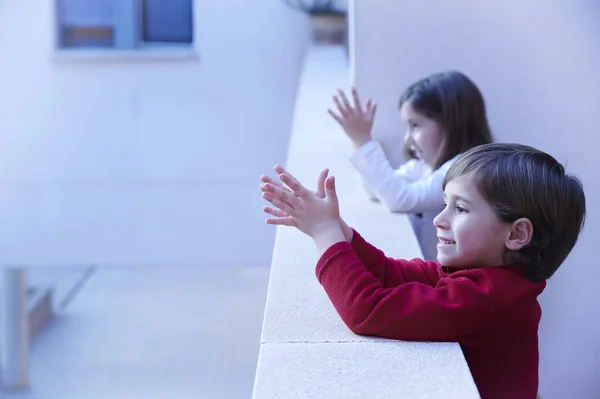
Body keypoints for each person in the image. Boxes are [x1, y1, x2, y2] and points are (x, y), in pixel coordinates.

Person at [259, 143, 586, 399]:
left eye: (460, 208)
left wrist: (324, 235)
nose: (439, 219)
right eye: (445, 203)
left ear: (516, 235)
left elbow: (369, 310)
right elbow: (390, 274)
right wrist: (340, 229)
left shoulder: (486, 298)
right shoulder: (487, 277)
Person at [328, 71, 493, 260]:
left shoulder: (463, 173)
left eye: (415, 125)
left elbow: (399, 199)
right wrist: (359, 142)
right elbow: (376, 190)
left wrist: (363, 142)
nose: (408, 138)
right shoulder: (423, 167)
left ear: (450, 123)